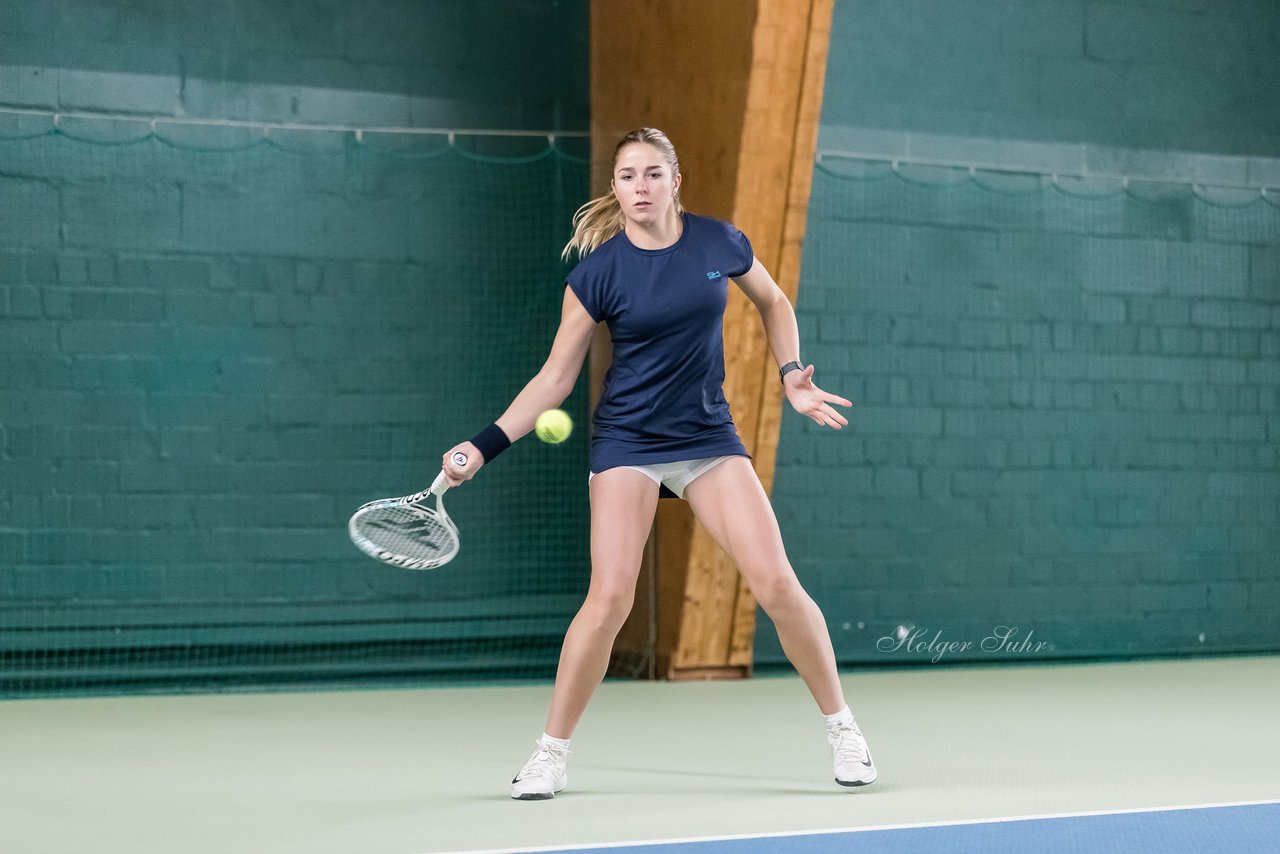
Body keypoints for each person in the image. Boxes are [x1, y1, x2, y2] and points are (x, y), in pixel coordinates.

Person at [440, 128, 876, 800]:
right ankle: (550, 753)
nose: (638, 188)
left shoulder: (719, 242)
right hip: (628, 442)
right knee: (610, 597)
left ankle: (844, 728)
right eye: (625, 177)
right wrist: (484, 444)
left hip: (706, 436)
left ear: (676, 179)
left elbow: (774, 301)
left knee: (778, 585)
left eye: (650, 174)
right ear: (613, 188)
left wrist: (792, 374)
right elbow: (555, 379)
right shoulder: (597, 275)